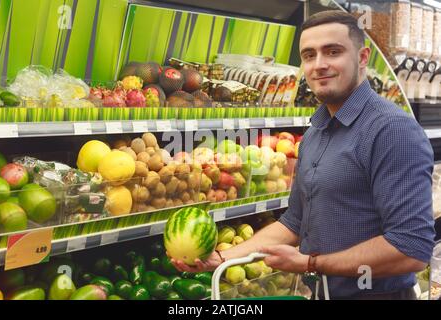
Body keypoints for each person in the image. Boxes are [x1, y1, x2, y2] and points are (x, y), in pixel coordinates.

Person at [171, 10, 436, 300]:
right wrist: (223, 258)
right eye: (309, 55)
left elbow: (410, 249)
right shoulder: (315, 132)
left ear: (362, 58)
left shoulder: (393, 131)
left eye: (332, 52)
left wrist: (310, 263)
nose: (319, 65)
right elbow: (295, 222)